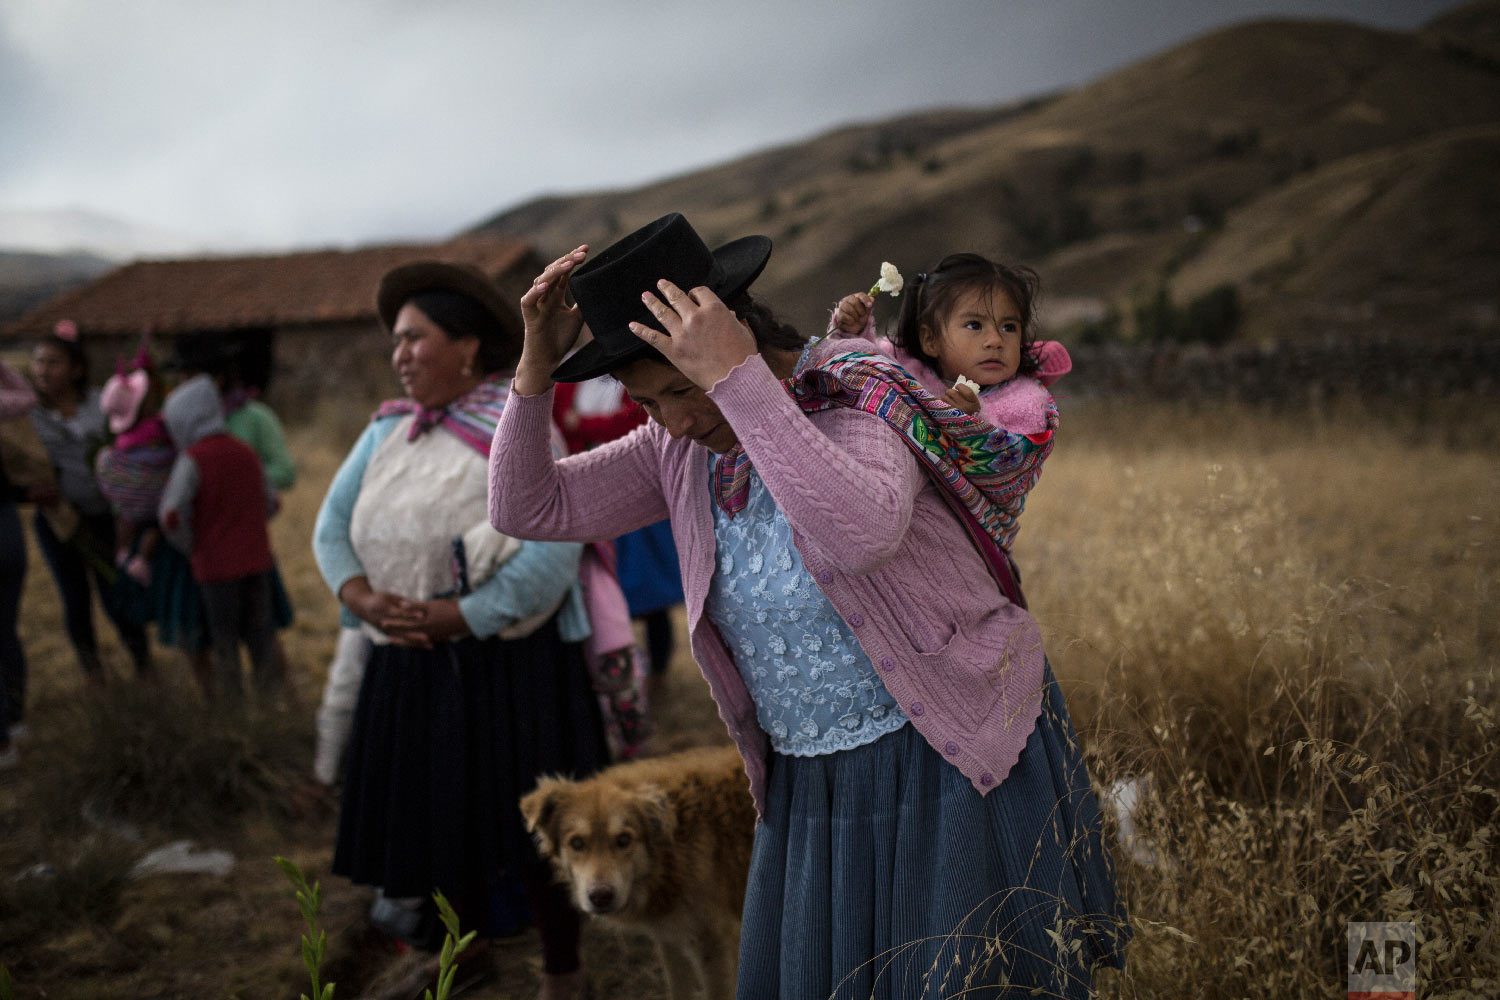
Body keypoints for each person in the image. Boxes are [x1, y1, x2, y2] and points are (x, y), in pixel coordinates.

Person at [489, 213, 1129, 998]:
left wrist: (738, 384)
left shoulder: (858, 391)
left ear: (735, 340)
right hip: (815, 788)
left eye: (683, 390)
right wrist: (532, 370)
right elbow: (528, 506)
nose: (678, 420)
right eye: (652, 404)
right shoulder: (681, 448)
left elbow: (858, 532)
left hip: (946, 758)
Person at [312, 260, 606, 1000]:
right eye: (396, 342)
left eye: (416, 338)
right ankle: (461, 951)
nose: (399, 354)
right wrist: (362, 599)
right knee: (441, 818)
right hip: (409, 660)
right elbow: (329, 529)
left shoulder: (518, 425)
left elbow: (553, 547)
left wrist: (461, 616)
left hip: (510, 666)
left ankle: (563, 971)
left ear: (468, 346)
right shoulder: (385, 432)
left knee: (537, 829)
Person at [26, 320, 153, 683]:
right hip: (59, 520)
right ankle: (93, 673)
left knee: (116, 592)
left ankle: (143, 664)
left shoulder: (103, 403)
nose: (43, 371)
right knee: (74, 597)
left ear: (76, 368)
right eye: (38, 362)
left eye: (53, 362)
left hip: (106, 519)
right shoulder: (27, 415)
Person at [830, 253, 1071, 433]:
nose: (996, 341)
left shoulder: (1025, 399)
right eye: (974, 325)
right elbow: (863, 370)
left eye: (1009, 327)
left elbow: (1012, 462)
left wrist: (974, 420)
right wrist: (852, 329)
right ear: (930, 340)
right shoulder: (906, 368)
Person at [553, 377, 685, 693]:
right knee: (603, 590)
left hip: (634, 489)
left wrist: (583, 424)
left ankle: (658, 672)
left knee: (650, 591)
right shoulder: (568, 383)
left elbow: (634, 423)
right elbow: (559, 422)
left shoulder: (632, 376)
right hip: (588, 492)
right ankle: (617, 670)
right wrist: (592, 426)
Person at [157, 374, 279, 702]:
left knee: (224, 645)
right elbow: (272, 502)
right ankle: (271, 711)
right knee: (260, 641)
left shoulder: (192, 459)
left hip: (215, 571)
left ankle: (233, 713)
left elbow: (170, 516)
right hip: (257, 561)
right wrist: (251, 530)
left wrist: (192, 546)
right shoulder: (245, 451)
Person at [95, 341, 172, 588]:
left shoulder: (121, 441)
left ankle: (123, 552)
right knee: (155, 525)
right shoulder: (157, 431)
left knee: (123, 519)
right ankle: (142, 559)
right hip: (154, 504)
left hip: (129, 509)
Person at [0, 360, 38, 768]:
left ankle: (2, 745)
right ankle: (16, 720)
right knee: (6, 631)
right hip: (7, 526)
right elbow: (25, 395)